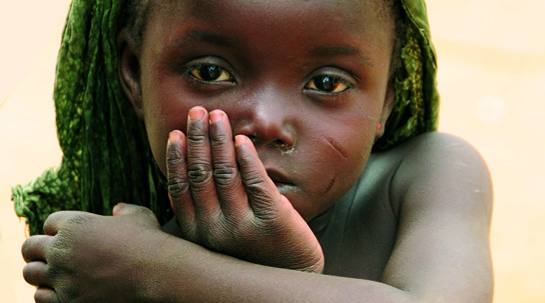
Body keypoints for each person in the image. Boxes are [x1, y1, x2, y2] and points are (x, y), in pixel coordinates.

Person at [15, 0, 494, 302]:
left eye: (327, 82)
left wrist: (155, 273)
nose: (265, 120)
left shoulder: (426, 177)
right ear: (134, 73)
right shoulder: (113, 244)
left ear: (387, 96)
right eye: (209, 73)